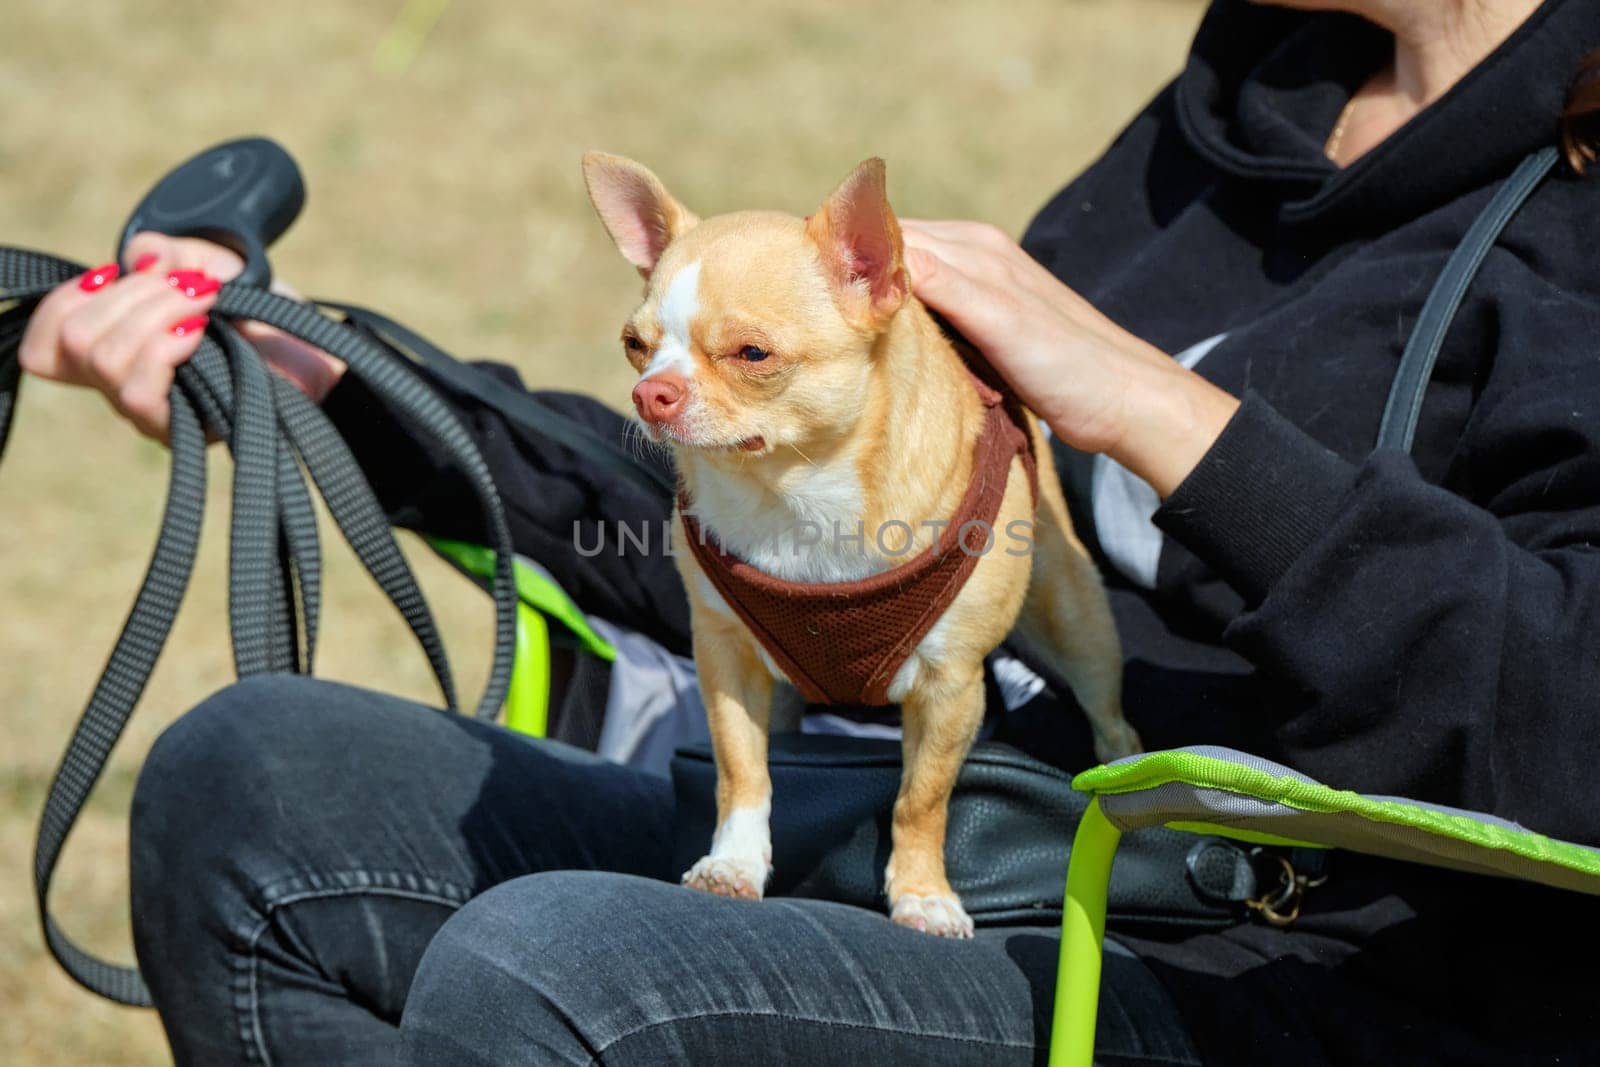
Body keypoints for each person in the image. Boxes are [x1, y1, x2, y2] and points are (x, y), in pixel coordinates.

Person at [20, 0, 1600, 1062]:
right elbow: (797, 496)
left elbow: (1574, 723)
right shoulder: (1239, 113)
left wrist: (1154, 414)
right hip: (934, 810)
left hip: (1285, 967)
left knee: (552, 973)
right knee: (252, 784)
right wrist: (355, 382)